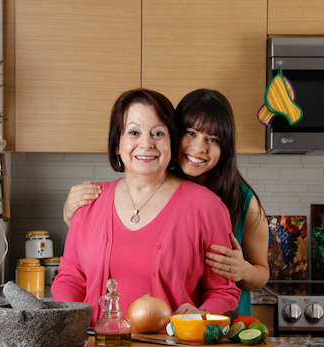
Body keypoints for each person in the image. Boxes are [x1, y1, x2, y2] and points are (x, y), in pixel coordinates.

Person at [63, 89, 269, 316]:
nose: (199, 148)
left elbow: (228, 289)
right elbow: (71, 275)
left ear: (169, 141)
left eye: (157, 133)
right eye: (133, 132)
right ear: (117, 144)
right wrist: (73, 213)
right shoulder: (91, 199)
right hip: (98, 346)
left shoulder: (219, 205)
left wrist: (243, 272)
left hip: (188, 340)